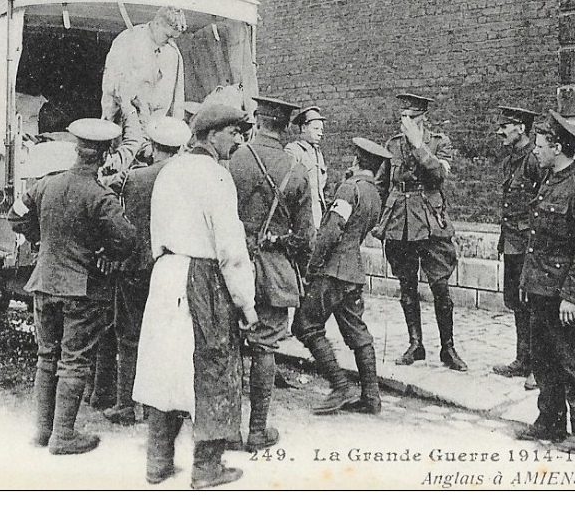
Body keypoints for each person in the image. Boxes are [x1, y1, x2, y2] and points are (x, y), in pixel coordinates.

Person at [132, 103, 258, 489]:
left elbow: (156, 231)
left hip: (166, 273)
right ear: (211, 134)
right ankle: (206, 470)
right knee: (214, 368)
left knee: (165, 366)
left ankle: (157, 463)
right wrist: (246, 303)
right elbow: (231, 250)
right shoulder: (217, 177)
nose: (237, 140)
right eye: (232, 133)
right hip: (203, 277)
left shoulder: (170, 171)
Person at [9, 118, 137, 455]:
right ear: (107, 154)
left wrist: (42, 239)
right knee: (75, 362)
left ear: (76, 150)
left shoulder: (45, 184)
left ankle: (43, 431)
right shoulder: (101, 197)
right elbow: (127, 240)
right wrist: (105, 252)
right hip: (80, 290)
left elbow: (16, 215)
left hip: (44, 282)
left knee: (46, 356)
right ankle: (63, 436)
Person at [228, 96, 313, 451]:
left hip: (232, 263)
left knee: (229, 343)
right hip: (275, 270)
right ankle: (258, 431)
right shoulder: (297, 169)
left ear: (258, 122)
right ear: (286, 128)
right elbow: (306, 236)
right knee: (265, 347)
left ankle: (227, 429)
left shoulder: (235, 159)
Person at [517, 110, 575, 453]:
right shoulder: (548, 182)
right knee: (543, 359)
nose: (535, 151)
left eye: (540, 145)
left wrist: (573, 296)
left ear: (557, 147)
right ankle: (549, 422)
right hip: (541, 289)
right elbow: (537, 240)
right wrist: (528, 283)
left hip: (564, 295)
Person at [102, 117, 192, 426]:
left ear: (153, 148)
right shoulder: (188, 178)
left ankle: (126, 406)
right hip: (176, 268)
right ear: (180, 148)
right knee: (173, 336)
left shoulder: (135, 179)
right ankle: (170, 406)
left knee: (129, 336)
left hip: (137, 268)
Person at [292, 137, 392, 415]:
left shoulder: (349, 188)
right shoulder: (375, 194)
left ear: (356, 160)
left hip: (332, 271)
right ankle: (371, 397)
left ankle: (340, 385)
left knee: (305, 325)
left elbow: (331, 231)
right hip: (353, 272)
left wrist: (313, 267)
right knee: (357, 332)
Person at [374, 93, 467, 372]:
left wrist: (417, 145)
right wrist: (376, 219)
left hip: (430, 221)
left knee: (440, 286)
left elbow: (439, 176)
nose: (406, 122)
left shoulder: (439, 143)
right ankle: (416, 344)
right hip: (400, 222)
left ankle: (448, 348)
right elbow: (381, 185)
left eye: (411, 117)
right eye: (403, 117)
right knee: (406, 286)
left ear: (423, 117)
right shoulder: (392, 145)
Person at [492, 106, 544, 391]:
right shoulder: (511, 159)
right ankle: (522, 360)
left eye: (506, 126)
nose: (501, 131)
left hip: (528, 245)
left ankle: (538, 366)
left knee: (533, 305)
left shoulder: (535, 160)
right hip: (512, 241)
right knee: (516, 302)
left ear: (521, 128)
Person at [100, 6, 188, 153]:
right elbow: (111, 86)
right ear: (158, 23)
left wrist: (176, 132)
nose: (171, 41)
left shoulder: (173, 53)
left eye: (174, 37)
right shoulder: (128, 40)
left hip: (155, 131)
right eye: (168, 36)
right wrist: (108, 124)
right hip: (126, 125)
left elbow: (178, 97)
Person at [285, 106, 329, 229]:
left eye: (321, 129)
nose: (320, 133)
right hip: (301, 214)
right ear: (303, 128)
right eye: (316, 128)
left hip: (318, 213)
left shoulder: (317, 152)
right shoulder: (293, 151)